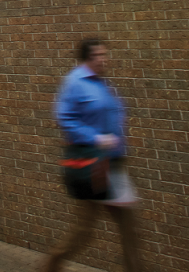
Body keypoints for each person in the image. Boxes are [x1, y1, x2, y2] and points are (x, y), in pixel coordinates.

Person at [43, 39, 143, 272]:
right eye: (99, 55)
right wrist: (95, 138)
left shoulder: (102, 84)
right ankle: (50, 265)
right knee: (84, 231)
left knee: (130, 229)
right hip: (93, 165)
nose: (104, 59)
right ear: (87, 57)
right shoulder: (75, 82)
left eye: (105, 54)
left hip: (114, 164)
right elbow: (63, 117)